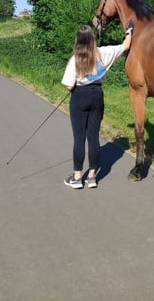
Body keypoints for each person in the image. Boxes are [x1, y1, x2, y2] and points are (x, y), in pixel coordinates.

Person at [61, 21, 133, 189]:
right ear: (92, 39)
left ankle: (77, 177)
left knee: (79, 138)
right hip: (97, 95)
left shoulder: (75, 60)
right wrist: (129, 31)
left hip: (79, 96)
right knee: (93, 137)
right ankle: (92, 176)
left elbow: (69, 85)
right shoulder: (103, 53)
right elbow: (125, 45)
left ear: (78, 41)